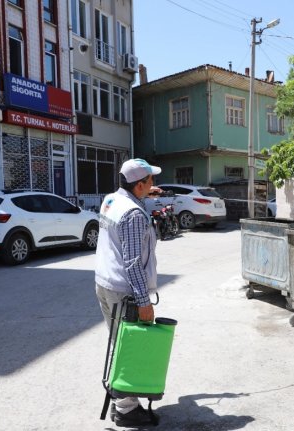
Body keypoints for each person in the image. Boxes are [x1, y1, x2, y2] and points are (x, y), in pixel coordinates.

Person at [95, 158, 162, 427]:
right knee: (129, 347)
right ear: (138, 185)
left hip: (105, 283)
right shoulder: (133, 215)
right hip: (124, 290)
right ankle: (125, 409)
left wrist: (144, 196)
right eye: (150, 181)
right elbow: (133, 262)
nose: (153, 184)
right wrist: (144, 301)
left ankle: (122, 402)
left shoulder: (112, 200)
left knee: (118, 342)